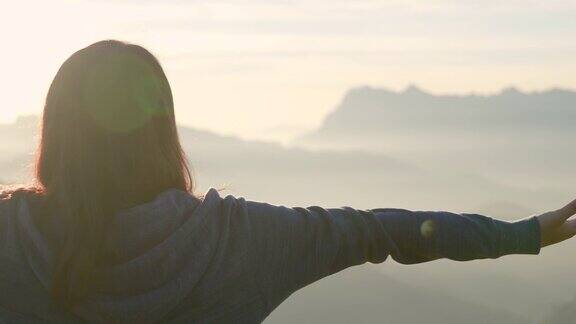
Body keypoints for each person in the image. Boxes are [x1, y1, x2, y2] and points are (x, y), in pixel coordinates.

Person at [0, 40, 574, 324]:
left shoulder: (10, 234)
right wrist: (520, 234)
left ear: (57, 129)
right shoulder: (236, 239)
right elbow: (384, 232)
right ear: (162, 128)